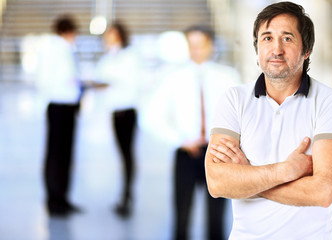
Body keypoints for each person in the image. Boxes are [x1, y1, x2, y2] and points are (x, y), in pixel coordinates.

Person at [205, 2, 332, 239]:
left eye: (287, 38)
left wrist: (247, 178)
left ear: (306, 51)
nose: (276, 49)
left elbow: (323, 192)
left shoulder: (330, 102)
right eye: (267, 38)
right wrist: (286, 170)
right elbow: (217, 182)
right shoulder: (234, 99)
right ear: (257, 49)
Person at [147, 25, 241, 240]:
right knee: (182, 215)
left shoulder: (227, 77)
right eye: (191, 45)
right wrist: (179, 139)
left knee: (216, 218)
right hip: (186, 153)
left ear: (212, 46)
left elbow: (242, 116)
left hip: (219, 154)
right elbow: (151, 116)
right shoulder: (173, 78)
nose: (196, 50)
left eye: (201, 44)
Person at [36, 14, 82, 217]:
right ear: (67, 31)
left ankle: (63, 198)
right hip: (58, 107)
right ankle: (53, 200)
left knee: (66, 155)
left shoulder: (66, 50)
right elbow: (45, 80)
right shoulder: (51, 49)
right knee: (55, 156)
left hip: (68, 108)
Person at [94, 21, 142, 217]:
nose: (108, 39)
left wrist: (109, 82)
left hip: (127, 112)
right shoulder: (109, 57)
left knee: (127, 155)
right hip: (115, 112)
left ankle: (127, 196)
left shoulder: (129, 56)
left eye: (111, 35)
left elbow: (128, 80)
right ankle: (125, 195)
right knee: (123, 155)